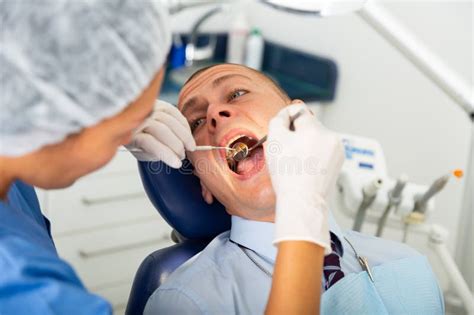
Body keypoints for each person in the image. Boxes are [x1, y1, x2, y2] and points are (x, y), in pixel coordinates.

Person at [0, 2, 338, 314]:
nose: (217, 114)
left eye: (237, 93)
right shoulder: (30, 292)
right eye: (124, 128)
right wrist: (304, 219)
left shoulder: (389, 259)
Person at [144, 64, 445, 315]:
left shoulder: (411, 266)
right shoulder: (188, 301)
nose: (214, 114)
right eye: (196, 121)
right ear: (205, 184)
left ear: (303, 121)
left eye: (237, 94)